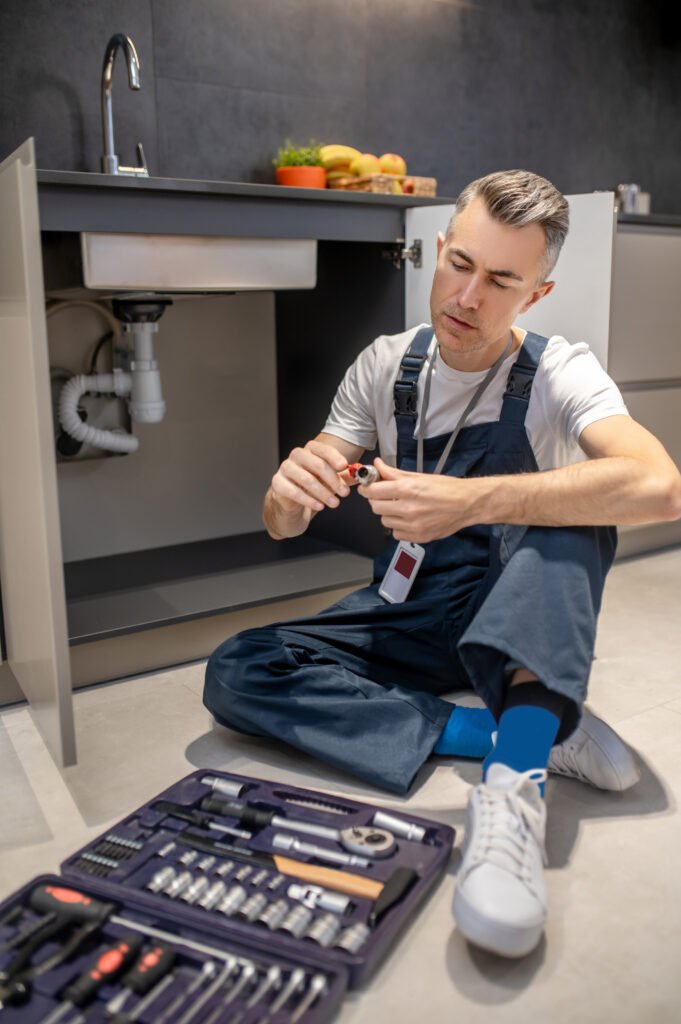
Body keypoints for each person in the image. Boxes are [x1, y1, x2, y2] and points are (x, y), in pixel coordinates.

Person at [204, 169, 681, 958]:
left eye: (500, 281)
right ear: (436, 251)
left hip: (512, 608)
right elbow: (283, 523)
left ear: (535, 293)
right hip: (409, 607)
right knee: (239, 666)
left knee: (576, 507)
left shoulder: (562, 371)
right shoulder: (385, 366)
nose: (468, 297)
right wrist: (287, 492)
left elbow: (658, 486)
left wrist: (471, 502)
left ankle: (512, 786)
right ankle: (504, 729)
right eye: (460, 265)